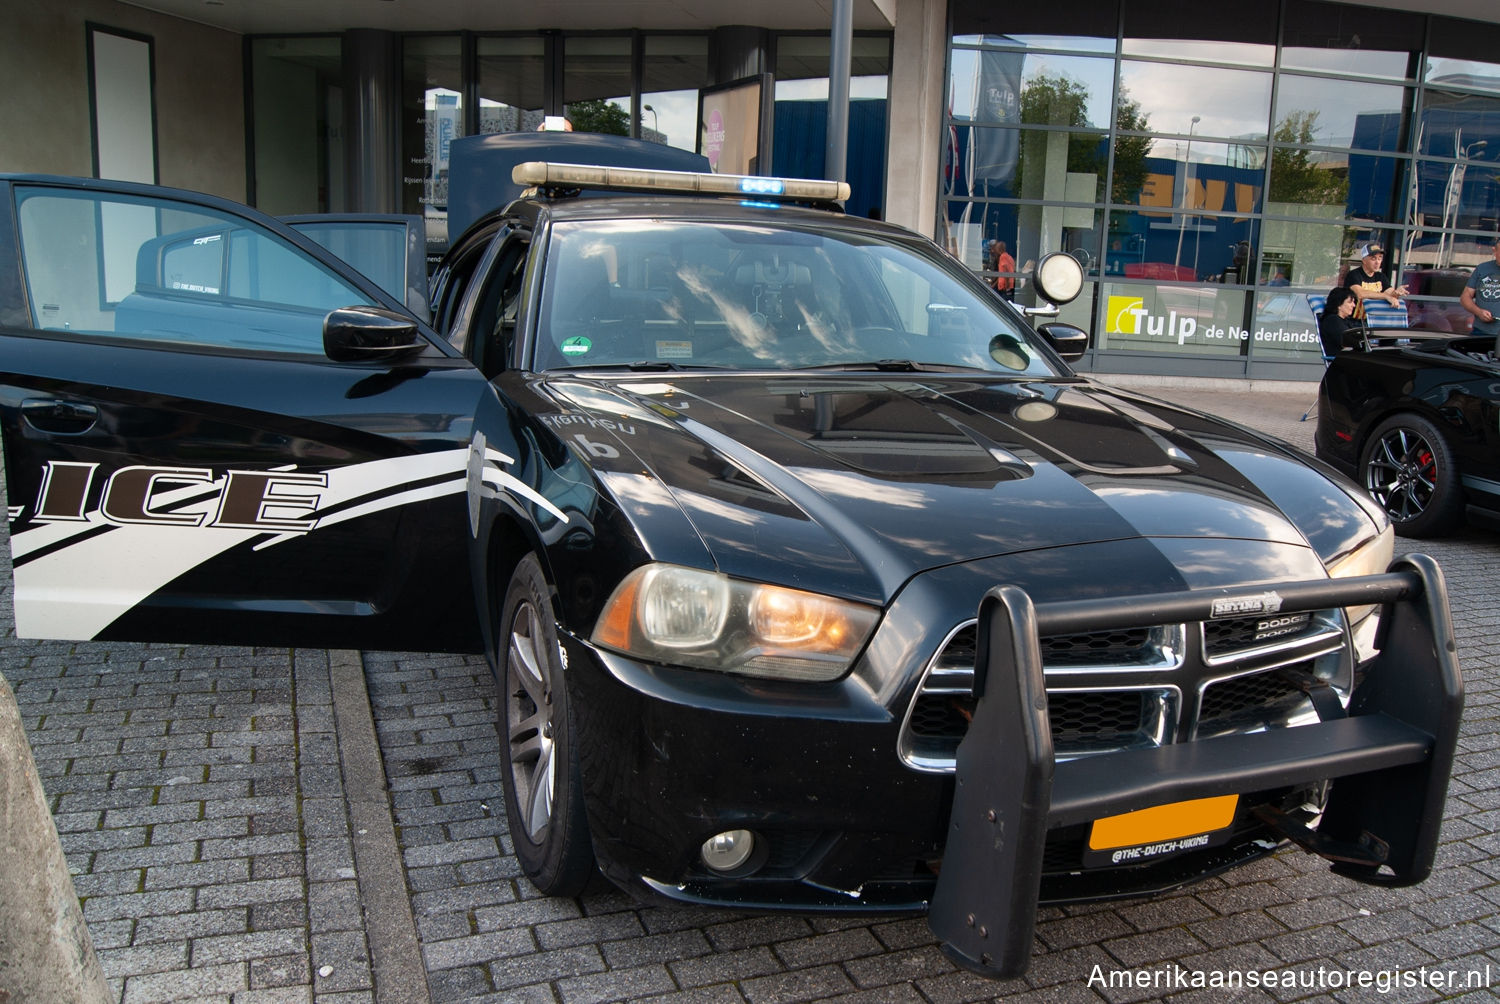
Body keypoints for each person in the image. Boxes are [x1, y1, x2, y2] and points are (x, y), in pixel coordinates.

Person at [1342, 242, 1408, 320]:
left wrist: (1396, 293)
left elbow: (1391, 295)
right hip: (1356, 321)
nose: (1377, 262)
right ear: (1364, 260)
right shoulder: (1354, 275)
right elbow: (1360, 294)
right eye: (1373, 259)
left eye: (1379, 258)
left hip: (1375, 320)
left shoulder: (1381, 276)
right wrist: (1386, 296)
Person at [1460, 241, 1500, 345]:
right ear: (1494, 250)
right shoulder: (1482, 268)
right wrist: (1478, 312)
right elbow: (1465, 297)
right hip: (1481, 331)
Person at [1318, 286, 1362, 356]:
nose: (1354, 305)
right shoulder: (1332, 321)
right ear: (1339, 304)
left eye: (1354, 302)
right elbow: (1348, 344)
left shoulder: (1346, 321)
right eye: (1350, 302)